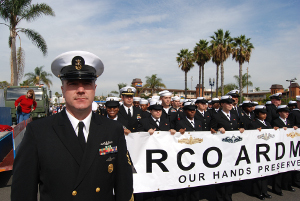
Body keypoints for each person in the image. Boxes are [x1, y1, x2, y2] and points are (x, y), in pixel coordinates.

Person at [11, 51, 134, 201]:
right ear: (62, 90)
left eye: (87, 83)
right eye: (73, 83)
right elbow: (23, 190)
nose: (81, 90)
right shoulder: (38, 132)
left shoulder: (112, 129)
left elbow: (124, 184)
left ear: (94, 88)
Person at [210, 96, 244, 201]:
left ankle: (228, 196)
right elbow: (211, 129)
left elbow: (237, 126)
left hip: (233, 150)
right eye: (228, 103)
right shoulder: (216, 116)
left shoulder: (234, 115)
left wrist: (241, 129)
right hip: (221, 149)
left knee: (230, 174)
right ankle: (219, 197)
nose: (231, 105)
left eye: (232, 103)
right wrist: (217, 129)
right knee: (221, 174)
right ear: (222, 104)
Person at [271, 105, 297, 196]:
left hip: (288, 148)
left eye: (287, 111)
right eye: (285, 112)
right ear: (280, 112)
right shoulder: (275, 121)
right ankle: (277, 188)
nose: (287, 113)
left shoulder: (289, 121)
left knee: (288, 167)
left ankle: (287, 185)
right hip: (279, 149)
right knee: (278, 169)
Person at [248, 105, 272, 200]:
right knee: (257, 172)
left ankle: (264, 191)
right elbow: (249, 137)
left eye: (265, 113)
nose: (264, 115)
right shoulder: (253, 124)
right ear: (257, 114)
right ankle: (257, 192)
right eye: (262, 113)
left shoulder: (267, 123)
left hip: (266, 151)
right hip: (257, 151)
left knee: (265, 171)